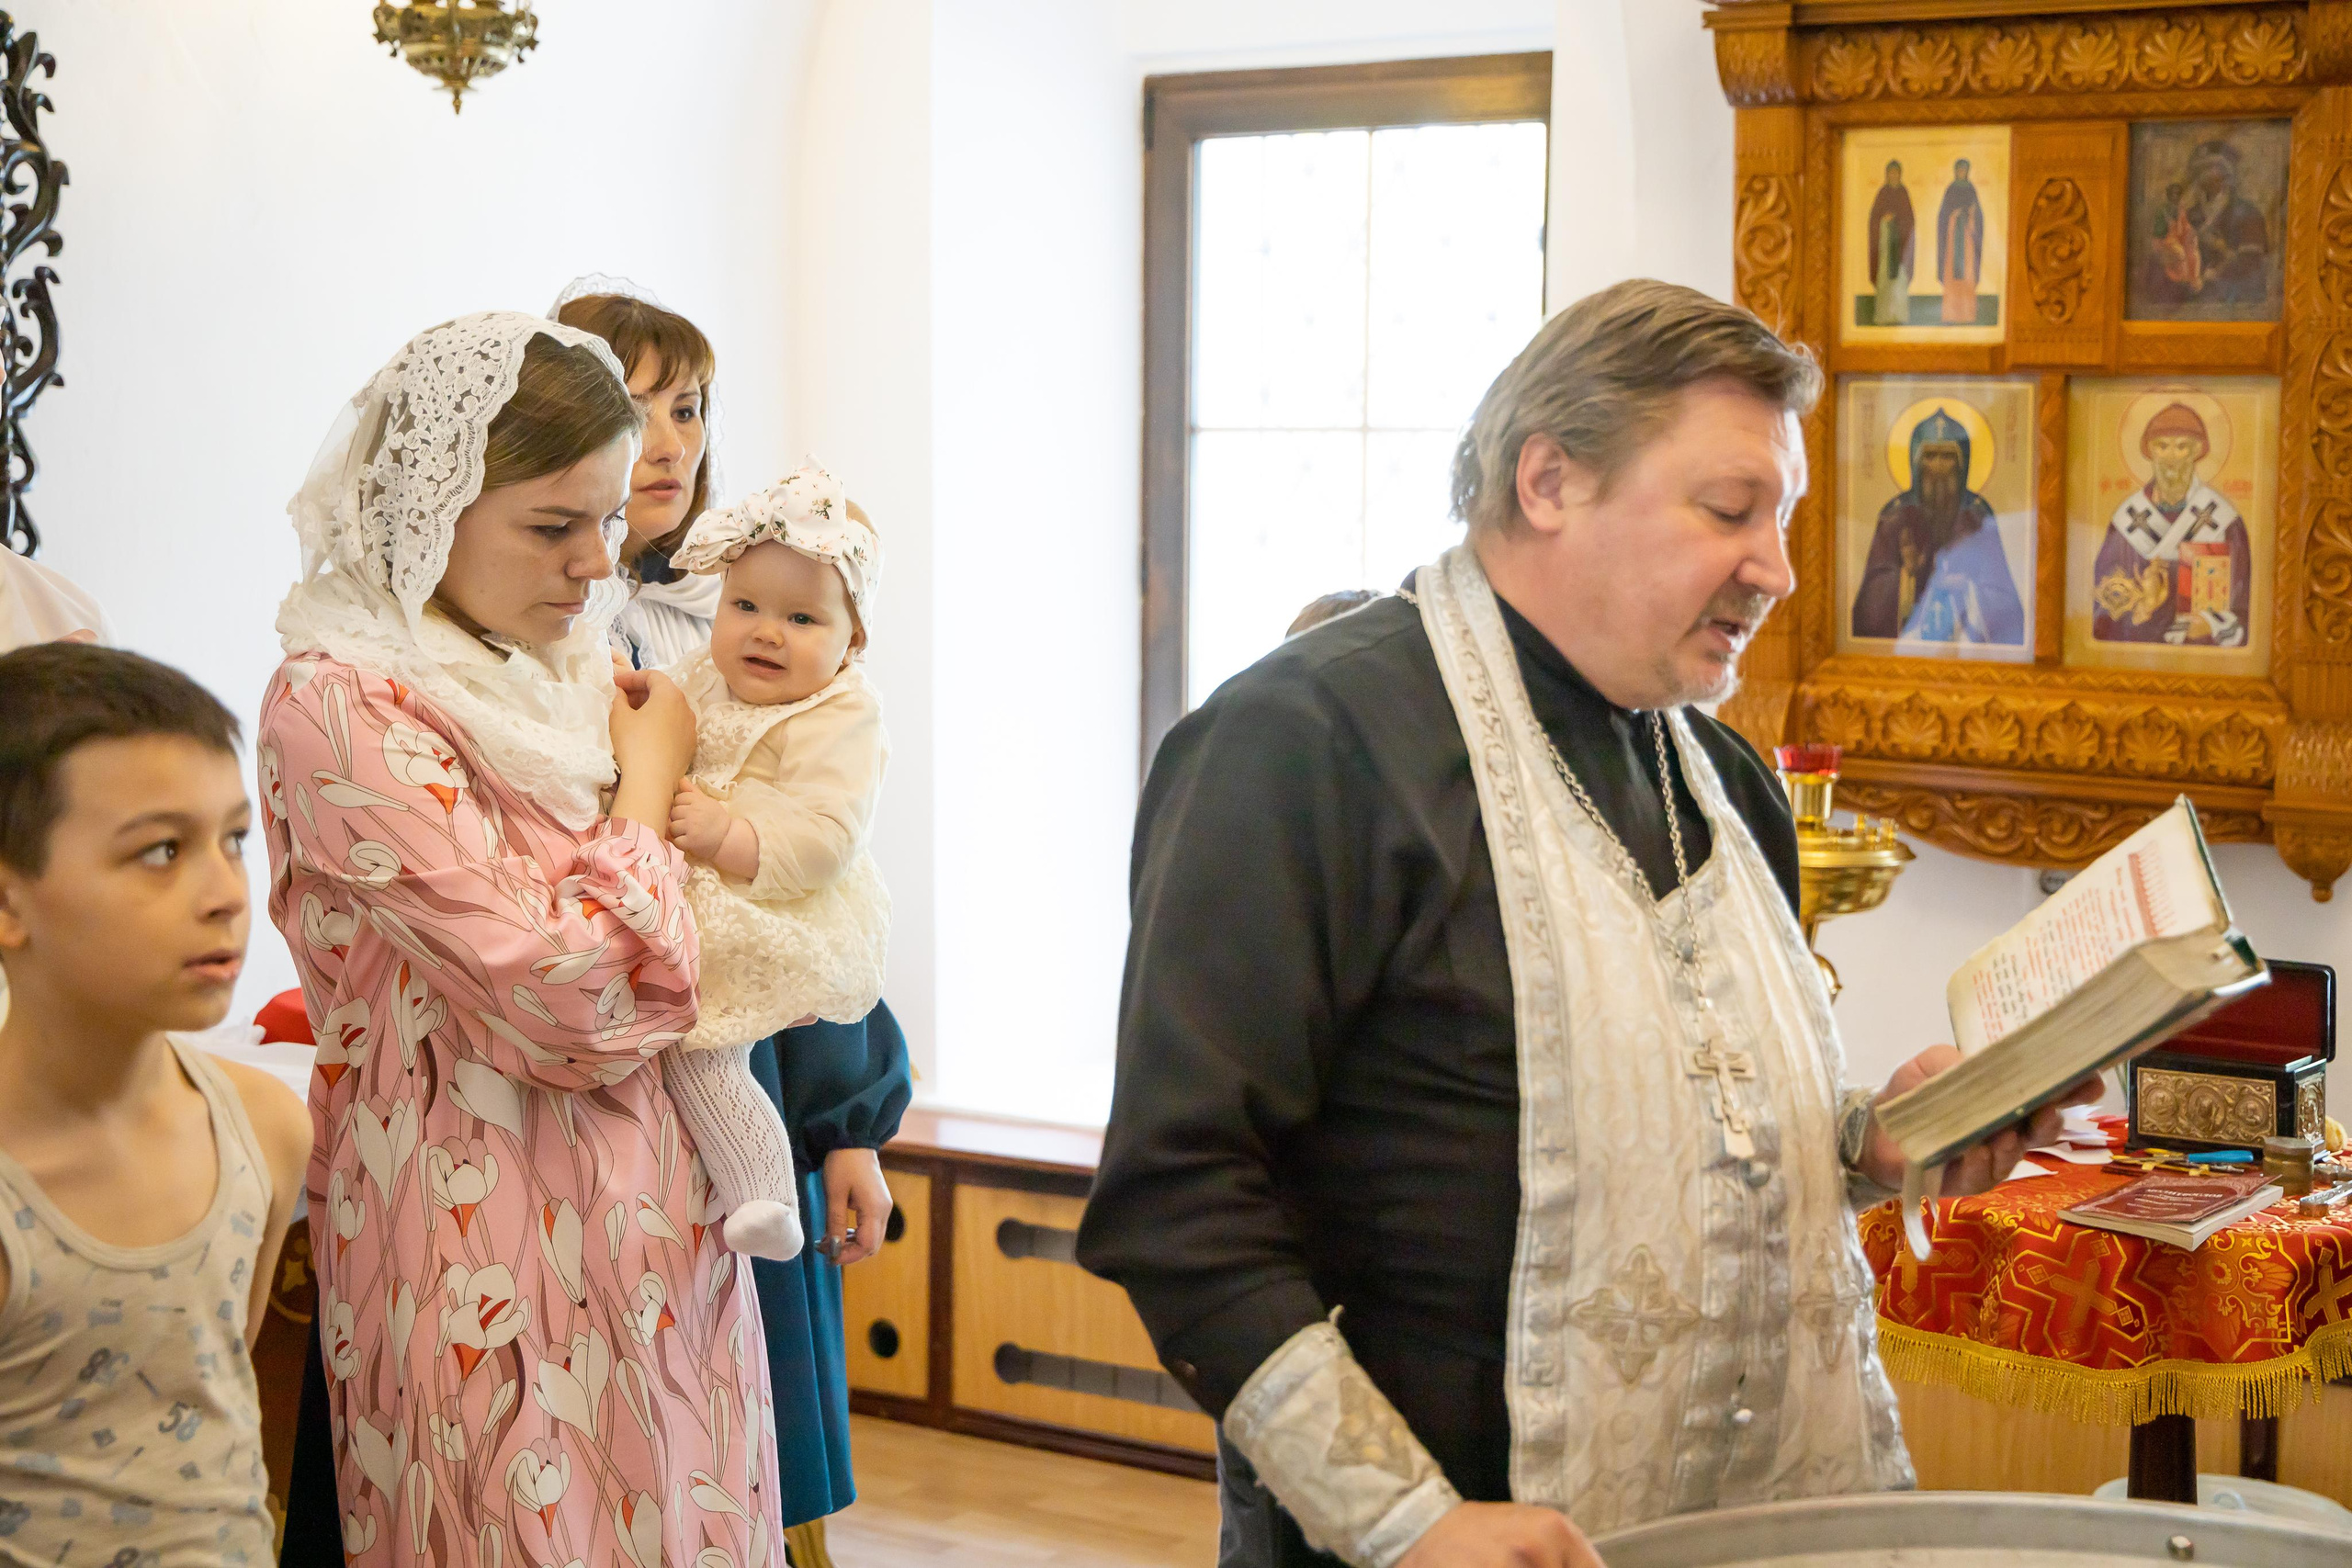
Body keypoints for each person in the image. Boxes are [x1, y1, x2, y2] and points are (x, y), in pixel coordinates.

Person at [1077, 279, 2101, 1568]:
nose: (1776, 568)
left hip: (1748, 1515)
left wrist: (1874, 1138)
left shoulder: (1725, 783)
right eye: (1730, 510)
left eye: (1780, 518)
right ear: (1549, 479)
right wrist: (1409, 1520)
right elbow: (1177, 1195)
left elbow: (1694, 1131)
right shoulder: (1304, 740)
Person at [261, 310, 784, 1566]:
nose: (598, 564)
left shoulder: (565, 671)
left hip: (662, 1228)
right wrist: (650, 793)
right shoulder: (340, 697)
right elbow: (568, 1000)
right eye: (555, 525)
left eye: (607, 521)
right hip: (472, 1232)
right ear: (428, 504)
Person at [552, 279, 910, 1551]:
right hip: (584, 1071)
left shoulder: (759, 613)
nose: (664, 440)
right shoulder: (538, 621)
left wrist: (853, 1121)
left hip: (750, 1057)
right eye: (626, 402)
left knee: (758, 1465)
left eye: (687, 406)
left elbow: (823, 879)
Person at [0, 642, 310, 1567]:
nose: (223, 894)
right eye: (161, 851)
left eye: (234, 840)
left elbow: (215, 1399)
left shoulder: (264, 1127)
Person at [659, 463, 890, 1265]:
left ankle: (761, 1188)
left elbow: (828, 837)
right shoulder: (700, 675)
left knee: (707, 1044)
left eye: (800, 617)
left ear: (850, 641)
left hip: (774, 902)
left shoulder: (841, 711)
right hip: (704, 887)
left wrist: (729, 838)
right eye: (745, 606)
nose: (765, 631)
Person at [553, 282, 726, 671]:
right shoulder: (544, 620)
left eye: (684, 412)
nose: (672, 449)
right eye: (634, 413)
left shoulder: (725, 598)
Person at [1850, 407, 2025, 646]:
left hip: (1965, 642)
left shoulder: (1977, 515)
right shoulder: (1895, 516)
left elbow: (2003, 600)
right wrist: (1905, 575)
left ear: (1962, 465)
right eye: (1931, 456)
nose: (1939, 466)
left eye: (1948, 457)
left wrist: (1967, 586)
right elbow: (1870, 608)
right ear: (1916, 462)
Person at [2091, 401, 2252, 647]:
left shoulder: (2224, 522)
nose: (2171, 457)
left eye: (2182, 447)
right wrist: (2143, 607)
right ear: (2149, 452)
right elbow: (2102, 611)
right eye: (2162, 446)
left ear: (2197, 452)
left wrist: (2211, 624)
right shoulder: (2126, 524)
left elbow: (2245, 608)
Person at [1935, 159, 1984, 326]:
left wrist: (1970, 216)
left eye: (1964, 170)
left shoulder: (1971, 190)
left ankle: (1967, 314)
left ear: (1967, 171)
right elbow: (1942, 216)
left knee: (1967, 274)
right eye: (1959, 170)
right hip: (1953, 239)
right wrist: (1953, 216)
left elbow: (1978, 217)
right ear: (1956, 171)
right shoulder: (1950, 190)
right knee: (1953, 274)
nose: (1962, 172)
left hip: (1967, 242)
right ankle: (1951, 314)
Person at [1865, 161, 1913, 328]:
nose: (1893, 176)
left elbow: (1910, 221)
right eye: (1891, 173)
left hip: (1900, 249)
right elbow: (1873, 219)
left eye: (1896, 173)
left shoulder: (1904, 193)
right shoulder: (1883, 193)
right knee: (1885, 279)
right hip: (1885, 247)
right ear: (1887, 175)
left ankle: (1898, 315)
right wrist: (1882, 221)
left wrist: (1898, 222)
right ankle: (1884, 315)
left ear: (1900, 174)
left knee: (1899, 280)